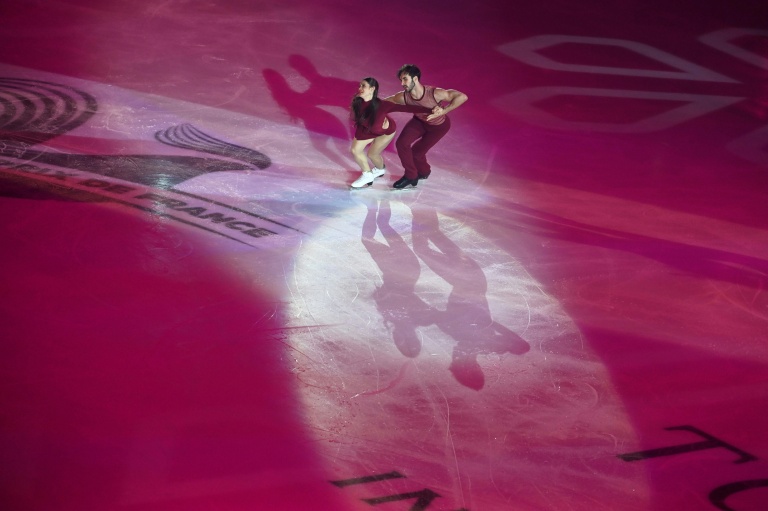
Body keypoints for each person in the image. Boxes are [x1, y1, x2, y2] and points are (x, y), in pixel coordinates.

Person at [384, 64, 468, 188]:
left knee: (417, 152)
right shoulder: (403, 96)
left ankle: (424, 172)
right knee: (402, 143)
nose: (402, 83)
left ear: (415, 79)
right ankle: (411, 176)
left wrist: (444, 110)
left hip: (438, 127)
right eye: (401, 80)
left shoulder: (435, 93)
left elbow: (462, 97)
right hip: (419, 122)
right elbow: (386, 102)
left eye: (405, 79)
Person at [349, 77, 432, 188]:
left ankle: (379, 170)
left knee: (372, 154)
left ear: (372, 89)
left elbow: (406, 108)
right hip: (367, 130)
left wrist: (431, 109)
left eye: (363, 86)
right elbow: (357, 119)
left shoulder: (382, 105)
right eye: (360, 85)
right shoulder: (357, 102)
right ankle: (367, 174)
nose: (360, 88)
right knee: (355, 150)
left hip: (386, 131)